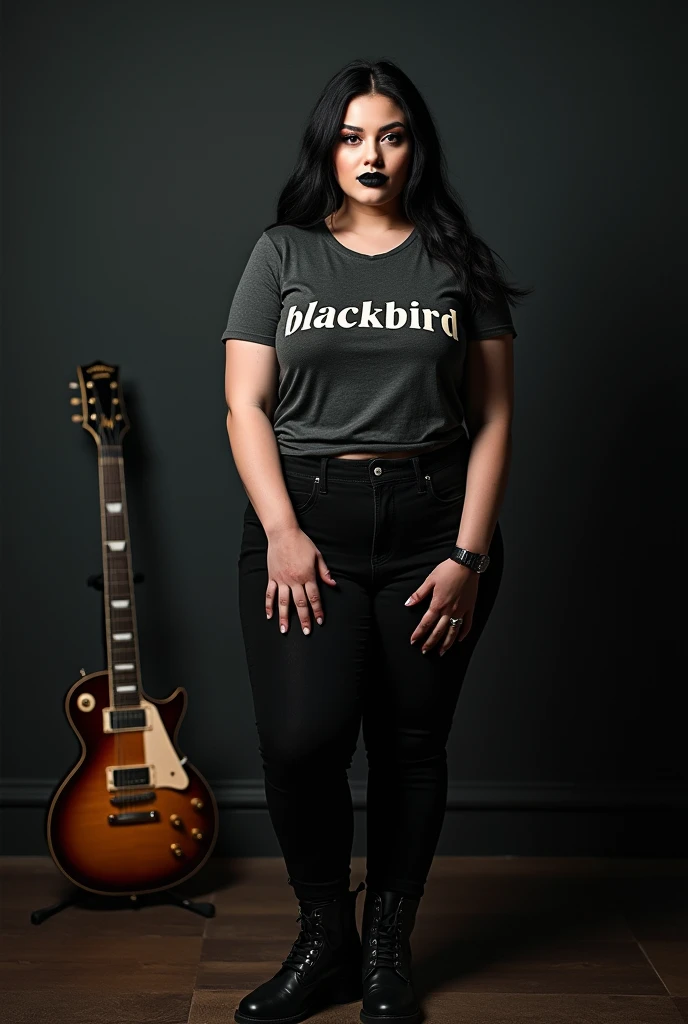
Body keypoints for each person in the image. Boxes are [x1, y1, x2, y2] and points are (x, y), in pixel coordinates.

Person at [222, 58, 531, 1024]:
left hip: (433, 523)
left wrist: (469, 558)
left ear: (414, 148)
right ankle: (326, 939)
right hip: (304, 518)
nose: (371, 153)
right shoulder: (281, 254)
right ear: (329, 146)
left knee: (410, 744)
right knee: (301, 742)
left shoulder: (459, 261)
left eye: (390, 135)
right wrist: (280, 528)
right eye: (353, 135)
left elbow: (494, 418)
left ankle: (389, 939)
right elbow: (243, 400)